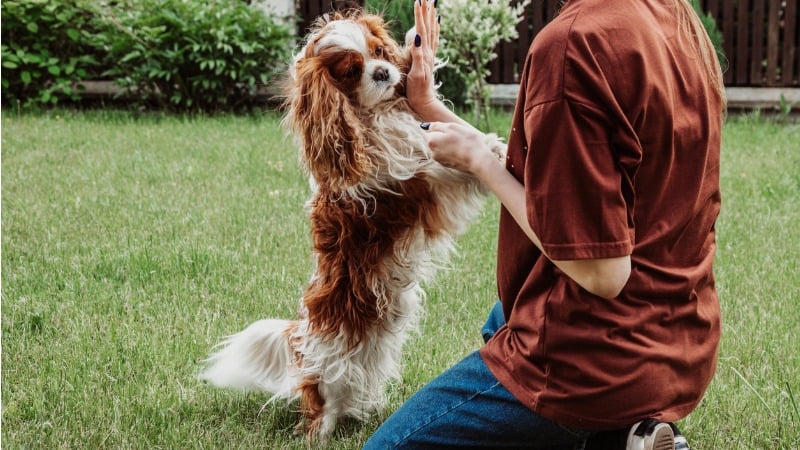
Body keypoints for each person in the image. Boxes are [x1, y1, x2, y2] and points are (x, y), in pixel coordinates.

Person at [363, 0, 725, 448]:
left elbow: (602, 271)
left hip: (594, 364)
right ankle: (622, 437)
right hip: (682, 345)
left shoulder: (574, 44)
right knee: (502, 317)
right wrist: (429, 107)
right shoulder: (672, 14)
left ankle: (600, 428)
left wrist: (482, 163)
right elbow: (562, 186)